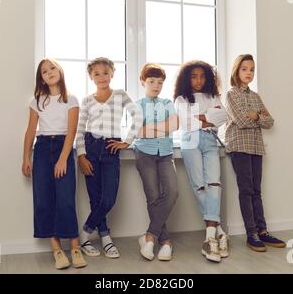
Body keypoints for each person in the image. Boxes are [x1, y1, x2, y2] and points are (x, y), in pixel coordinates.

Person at [22, 58, 87, 269]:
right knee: (43, 199)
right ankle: (57, 250)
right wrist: (25, 158)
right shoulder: (37, 101)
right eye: (43, 71)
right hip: (41, 150)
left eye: (52, 68)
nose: (49, 72)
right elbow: (31, 131)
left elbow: (72, 131)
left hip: (63, 147)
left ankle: (75, 247)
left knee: (66, 199)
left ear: (59, 70)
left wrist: (62, 158)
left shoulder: (72, 100)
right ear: (40, 78)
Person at [76, 57, 143, 259]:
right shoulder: (87, 100)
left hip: (111, 148)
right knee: (95, 198)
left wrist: (128, 141)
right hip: (90, 147)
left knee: (108, 198)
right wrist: (81, 156)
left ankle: (85, 233)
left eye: (105, 72)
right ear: (90, 77)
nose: (101, 76)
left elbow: (137, 116)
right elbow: (80, 130)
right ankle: (106, 237)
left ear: (112, 74)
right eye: (96, 73)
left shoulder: (120, 95)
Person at [224, 54, 286, 252]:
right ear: (236, 71)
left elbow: (270, 122)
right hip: (239, 147)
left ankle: (263, 231)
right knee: (246, 190)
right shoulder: (231, 94)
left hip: (256, 147)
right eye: (244, 69)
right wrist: (257, 116)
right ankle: (251, 234)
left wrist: (255, 115)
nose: (248, 73)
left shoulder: (256, 96)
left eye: (251, 69)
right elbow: (241, 121)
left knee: (256, 191)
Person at [174, 60, 229, 263]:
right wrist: (208, 117)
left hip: (210, 141)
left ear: (208, 78)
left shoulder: (213, 96)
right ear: (187, 78)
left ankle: (209, 238)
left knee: (214, 184)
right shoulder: (181, 99)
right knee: (199, 186)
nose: (198, 80)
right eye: (194, 76)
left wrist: (200, 117)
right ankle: (219, 233)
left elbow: (223, 116)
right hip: (190, 141)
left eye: (202, 76)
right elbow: (186, 122)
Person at [133, 63, 179, 261]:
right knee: (152, 196)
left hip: (166, 153)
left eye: (160, 82)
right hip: (144, 154)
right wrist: (163, 127)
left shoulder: (168, 102)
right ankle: (166, 241)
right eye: (152, 81)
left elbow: (175, 125)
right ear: (143, 82)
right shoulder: (137, 105)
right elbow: (138, 132)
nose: (156, 86)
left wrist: (150, 127)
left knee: (172, 192)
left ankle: (149, 236)